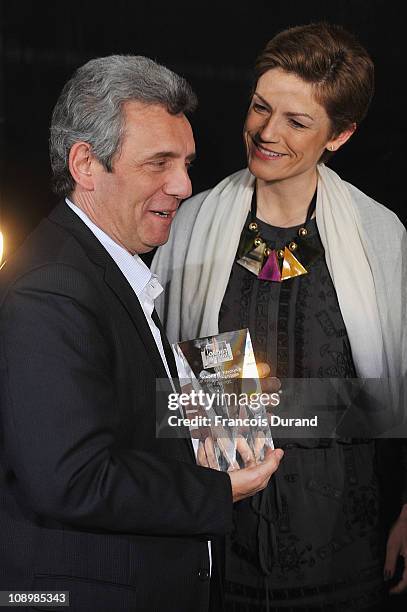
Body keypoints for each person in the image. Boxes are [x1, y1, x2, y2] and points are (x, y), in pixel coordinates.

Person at [0, 55, 284, 612]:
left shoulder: (106, 267)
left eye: (186, 162)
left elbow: (114, 402)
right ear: (86, 163)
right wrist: (221, 490)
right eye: (159, 163)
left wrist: (204, 404)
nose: (182, 184)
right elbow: (74, 478)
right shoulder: (54, 286)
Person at [152, 23, 407, 610]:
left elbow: (399, 397)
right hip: (220, 545)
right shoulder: (188, 227)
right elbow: (161, 385)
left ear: (340, 135)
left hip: (346, 547)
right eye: (260, 108)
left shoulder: (379, 237)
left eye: (297, 121)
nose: (266, 133)